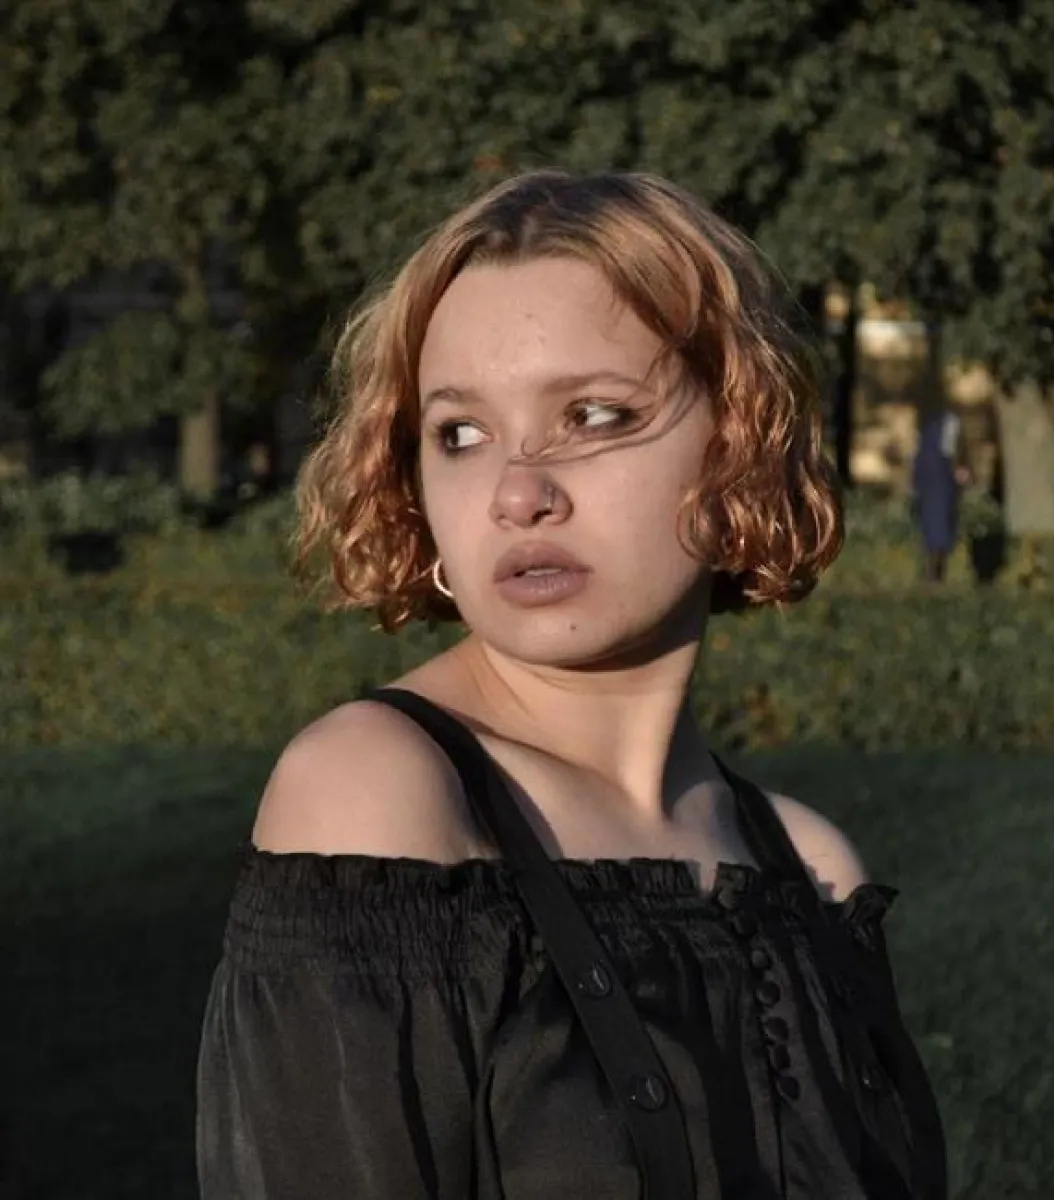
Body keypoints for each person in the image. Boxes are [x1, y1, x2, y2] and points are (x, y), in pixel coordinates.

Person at [195, 169, 947, 1199]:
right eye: (460, 434)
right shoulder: (384, 797)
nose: (516, 493)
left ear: (740, 441)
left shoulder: (810, 869)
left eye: (591, 415)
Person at [910, 404, 972, 582]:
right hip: (940, 484)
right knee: (940, 530)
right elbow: (950, 453)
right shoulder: (949, 425)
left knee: (933, 530)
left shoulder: (927, 429)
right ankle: (935, 574)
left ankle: (932, 573)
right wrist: (959, 471)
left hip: (930, 485)